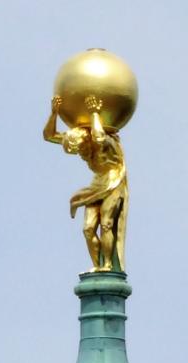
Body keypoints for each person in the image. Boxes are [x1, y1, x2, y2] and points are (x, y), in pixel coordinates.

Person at [43, 95, 128, 272]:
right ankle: (97, 266)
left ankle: (107, 266)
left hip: (113, 182)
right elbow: (49, 136)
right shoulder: (78, 138)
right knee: (88, 229)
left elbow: (98, 137)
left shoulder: (102, 142)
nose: (80, 155)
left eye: (81, 150)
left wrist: (95, 112)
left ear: (85, 142)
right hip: (97, 183)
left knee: (106, 224)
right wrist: (54, 113)